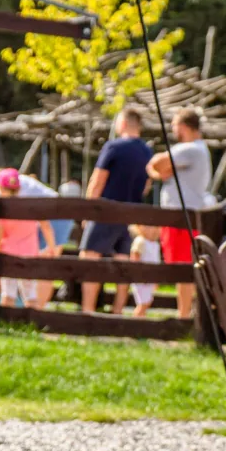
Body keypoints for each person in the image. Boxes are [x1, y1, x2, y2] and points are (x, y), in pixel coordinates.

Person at [80, 107, 153, 314]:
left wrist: (88, 210)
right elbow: (147, 185)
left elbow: (97, 180)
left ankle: (88, 310)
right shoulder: (147, 152)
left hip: (106, 210)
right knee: (123, 262)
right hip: (132, 213)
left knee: (90, 258)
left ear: (122, 124)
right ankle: (118, 311)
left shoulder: (114, 147)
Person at [147, 107, 212, 319]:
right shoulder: (197, 150)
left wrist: (160, 170)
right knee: (184, 268)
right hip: (183, 217)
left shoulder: (190, 150)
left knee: (183, 270)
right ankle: (187, 314)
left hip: (181, 218)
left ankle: (184, 317)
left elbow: (154, 164)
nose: (173, 129)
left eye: (174, 125)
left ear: (183, 126)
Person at [0, 169, 59, 309]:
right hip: (30, 254)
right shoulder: (30, 208)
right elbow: (46, 226)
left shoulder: (1, 211)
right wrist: (51, 247)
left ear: (0, 188)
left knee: (8, 293)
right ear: (19, 187)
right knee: (30, 293)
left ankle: (6, 323)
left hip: (8, 255)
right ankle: (30, 323)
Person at [129, 225, 163, 318]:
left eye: (156, 227)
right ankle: (136, 321)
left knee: (147, 302)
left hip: (150, 279)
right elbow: (135, 258)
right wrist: (139, 275)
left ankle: (141, 319)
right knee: (143, 303)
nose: (153, 230)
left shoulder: (155, 244)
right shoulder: (140, 241)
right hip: (142, 279)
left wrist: (156, 279)